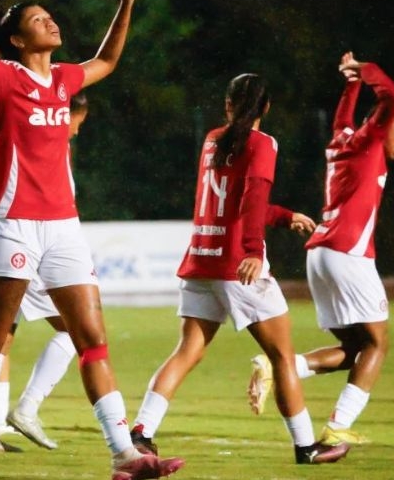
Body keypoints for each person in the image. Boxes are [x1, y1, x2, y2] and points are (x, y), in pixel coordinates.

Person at [0, 0, 183, 480]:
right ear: (19, 41)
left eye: (49, 15)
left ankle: (124, 454)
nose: (50, 21)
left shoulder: (65, 80)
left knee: (92, 339)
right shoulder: (4, 77)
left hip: (64, 228)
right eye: (37, 19)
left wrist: (126, 2)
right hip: (9, 226)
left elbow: (108, 60)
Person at [128, 74, 344, 465]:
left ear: (227, 105)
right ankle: (305, 446)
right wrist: (252, 251)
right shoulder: (263, 143)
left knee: (187, 350)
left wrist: (283, 216)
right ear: (265, 108)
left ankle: (142, 433)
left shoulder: (213, 138)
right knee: (282, 355)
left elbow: (235, 202)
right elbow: (252, 196)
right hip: (236, 265)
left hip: (201, 258)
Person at [249, 52, 394, 451]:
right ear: (384, 126)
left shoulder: (342, 141)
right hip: (348, 254)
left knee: (355, 348)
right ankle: (338, 426)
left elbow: (342, 118)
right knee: (378, 344)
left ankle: (278, 367)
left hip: (320, 253)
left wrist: (351, 85)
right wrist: (367, 72)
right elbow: (393, 99)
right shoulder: (372, 137)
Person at [2, 91, 92, 452]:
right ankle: (25, 408)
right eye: (76, 122)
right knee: (77, 332)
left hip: (18, 241)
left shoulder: (35, 140)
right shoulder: (44, 146)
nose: (75, 131)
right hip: (31, 243)